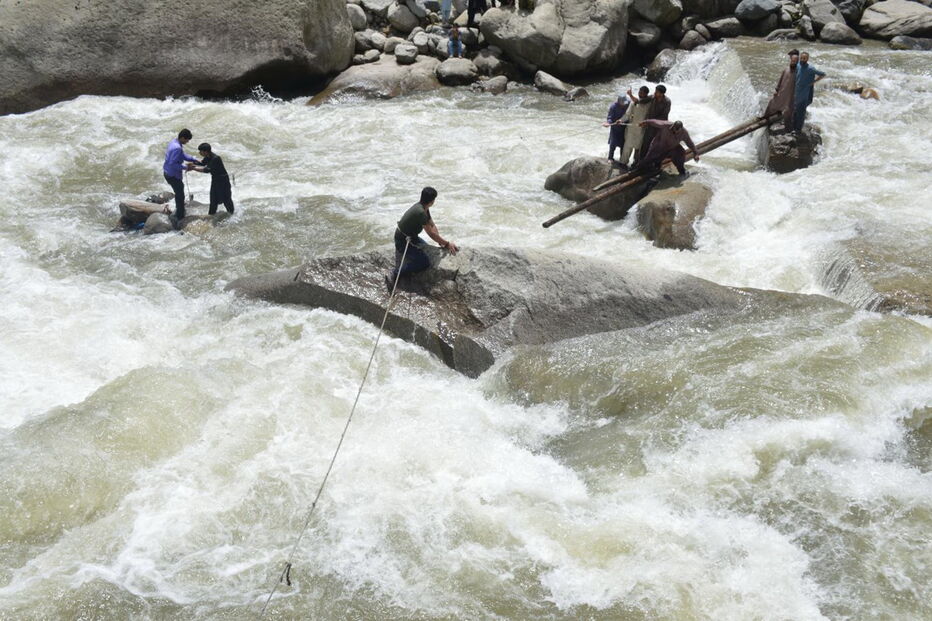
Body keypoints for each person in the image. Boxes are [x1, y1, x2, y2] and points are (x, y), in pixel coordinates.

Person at [388, 187, 459, 289]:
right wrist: (447, 244)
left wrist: (441, 242)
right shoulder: (420, 212)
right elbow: (431, 234)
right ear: (432, 201)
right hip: (403, 241)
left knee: (426, 248)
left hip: (412, 237)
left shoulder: (423, 208)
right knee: (424, 262)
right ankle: (394, 272)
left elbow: (432, 225)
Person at [634, 120, 699, 177]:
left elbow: (690, 143)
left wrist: (695, 153)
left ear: (681, 129)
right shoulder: (665, 125)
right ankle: (638, 169)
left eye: (677, 130)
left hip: (670, 149)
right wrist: (645, 122)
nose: (675, 131)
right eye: (674, 129)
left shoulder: (684, 133)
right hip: (657, 147)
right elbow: (654, 122)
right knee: (646, 162)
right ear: (673, 126)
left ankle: (682, 171)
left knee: (680, 151)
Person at [187, 143, 234, 215]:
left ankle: (231, 214)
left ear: (205, 151)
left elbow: (206, 170)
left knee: (226, 200)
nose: (199, 153)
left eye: (200, 151)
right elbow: (202, 163)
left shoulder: (216, 158)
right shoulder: (208, 156)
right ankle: (211, 215)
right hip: (215, 180)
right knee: (213, 200)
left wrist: (193, 168)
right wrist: (192, 163)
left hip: (223, 181)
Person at [163, 129, 198, 223]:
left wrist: (193, 159)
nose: (187, 142)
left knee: (179, 192)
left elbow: (182, 155)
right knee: (180, 194)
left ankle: (180, 210)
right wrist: (186, 167)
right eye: (187, 140)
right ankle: (180, 216)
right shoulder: (177, 148)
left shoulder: (174, 142)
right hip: (172, 175)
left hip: (168, 172)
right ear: (182, 138)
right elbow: (173, 164)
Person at [764, 49, 799, 131]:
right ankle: (765, 119)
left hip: (791, 95)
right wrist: (776, 90)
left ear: (797, 62)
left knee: (788, 112)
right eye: (792, 60)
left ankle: (788, 129)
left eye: (795, 61)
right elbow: (780, 81)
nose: (793, 62)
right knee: (772, 103)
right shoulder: (786, 69)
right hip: (781, 93)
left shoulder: (799, 72)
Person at [792, 51, 826, 133]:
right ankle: (793, 127)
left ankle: (798, 130)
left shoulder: (810, 68)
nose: (802, 59)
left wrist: (814, 82)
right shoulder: (798, 65)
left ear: (807, 59)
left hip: (804, 93)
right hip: (797, 92)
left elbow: (823, 74)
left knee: (801, 111)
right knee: (795, 111)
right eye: (801, 58)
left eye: (804, 58)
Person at [618, 86, 652, 168]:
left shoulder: (650, 103)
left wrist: (647, 123)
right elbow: (627, 114)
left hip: (642, 129)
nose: (640, 94)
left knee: (638, 148)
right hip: (632, 128)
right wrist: (620, 120)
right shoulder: (633, 102)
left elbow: (650, 115)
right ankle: (623, 163)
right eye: (639, 92)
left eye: (642, 92)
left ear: (646, 94)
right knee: (628, 146)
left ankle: (635, 163)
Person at [640, 84, 672, 159]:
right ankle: (641, 162)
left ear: (662, 94)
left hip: (659, 127)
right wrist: (633, 98)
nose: (655, 92)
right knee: (645, 144)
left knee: (655, 145)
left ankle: (653, 163)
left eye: (657, 92)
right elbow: (642, 101)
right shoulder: (653, 97)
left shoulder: (667, 101)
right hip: (650, 125)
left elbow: (664, 116)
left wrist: (650, 121)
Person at [602, 93, 629, 162]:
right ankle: (610, 157)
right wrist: (608, 123)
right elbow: (610, 117)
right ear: (619, 101)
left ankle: (622, 160)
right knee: (613, 144)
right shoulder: (613, 107)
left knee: (623, 145)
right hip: (615, 128)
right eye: (623, 103)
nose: (624, 104)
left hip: (624, 128)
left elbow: (629, 114)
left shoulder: (628, 104)